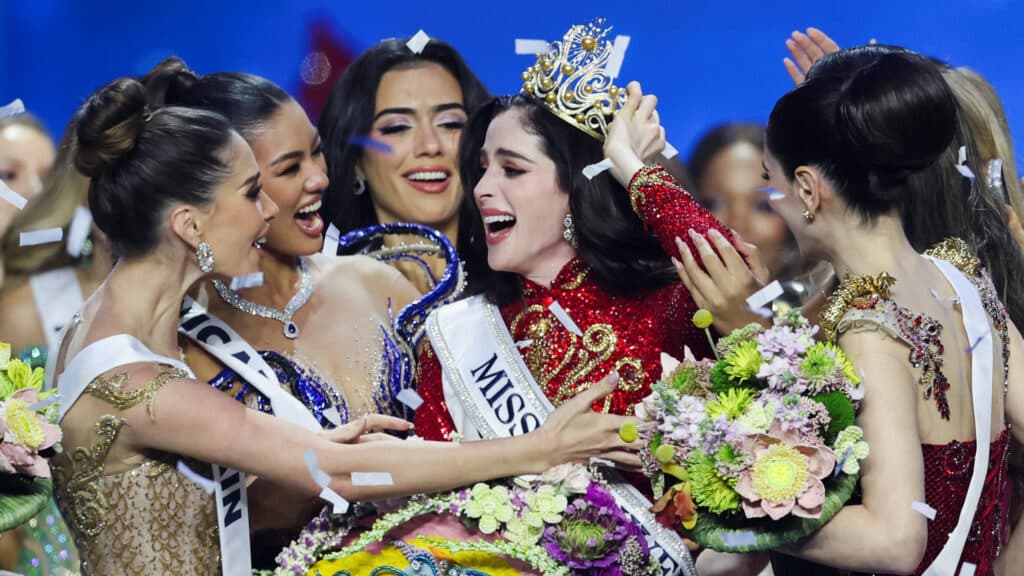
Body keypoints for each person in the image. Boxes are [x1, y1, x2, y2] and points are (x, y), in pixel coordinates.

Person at [51, 73, 641, 575]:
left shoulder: (102, 326)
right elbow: (334, 473)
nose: (267, 211)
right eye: (253, 190)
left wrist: (319, 447)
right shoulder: (131, 380)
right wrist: (540, 448)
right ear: (189, 224)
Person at [411, 20, 733, 574]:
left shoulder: (674, 305)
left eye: (512, 168)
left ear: (574, 187)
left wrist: (631, 166)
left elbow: (728, 269)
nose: (484, 189)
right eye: (481, 169)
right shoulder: (455, 335)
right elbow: (428, 504)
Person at [697, 48, 1021, 576]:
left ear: (807, 189)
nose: (773, 202)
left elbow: (894, 540)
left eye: (770, 182)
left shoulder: (868, 327)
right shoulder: (962, 275)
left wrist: (734, 512)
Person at [148, 57, 460, 565]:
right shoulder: (178, 342)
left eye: (317, 153)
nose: (319, 178)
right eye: (290, 169)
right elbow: (190, 530)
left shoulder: (379, 282)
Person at [318, 35, 490, 291]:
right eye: (397, 127)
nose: (430, 146)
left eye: (450, 124)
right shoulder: (325, 297)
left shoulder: (521, 289)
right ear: (357, 162)